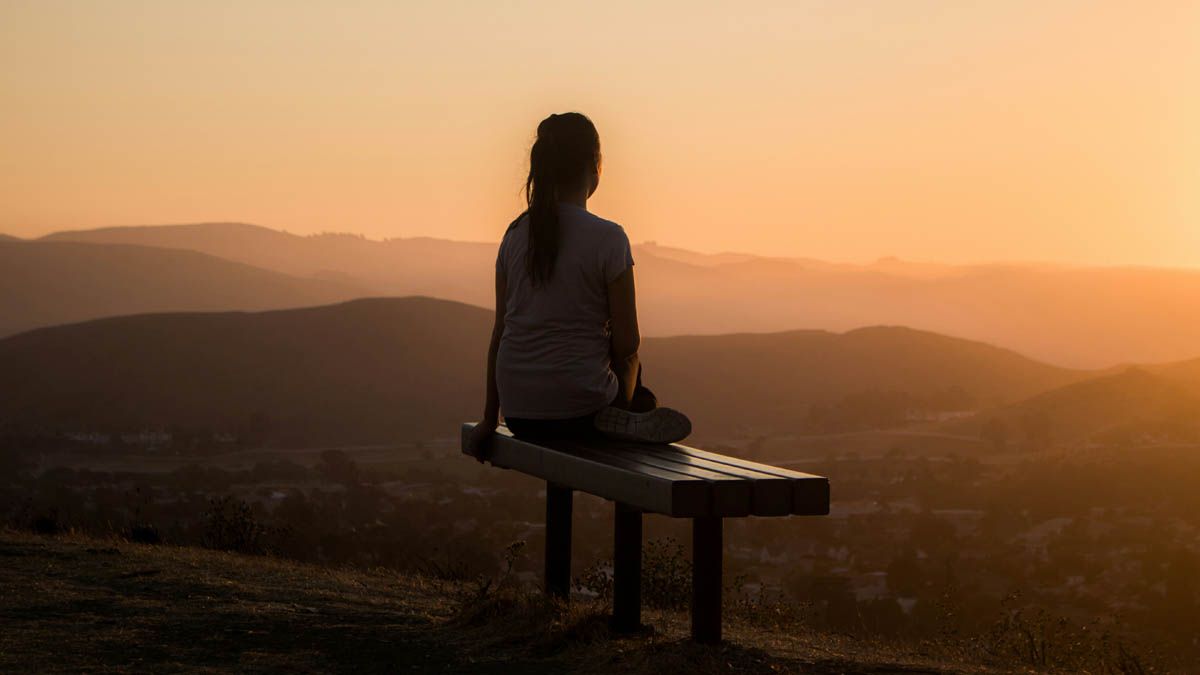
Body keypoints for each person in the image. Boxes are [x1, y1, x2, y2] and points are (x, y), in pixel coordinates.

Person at [465, 112, 690, 460]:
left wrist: (488, 420)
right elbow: (628, 342)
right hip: (583, 413)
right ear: (595, 166)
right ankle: (631, 414)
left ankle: (628, 414)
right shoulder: (609, 238)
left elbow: (500, 335)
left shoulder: (514, 236)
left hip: (521, 414)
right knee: (634, 367)